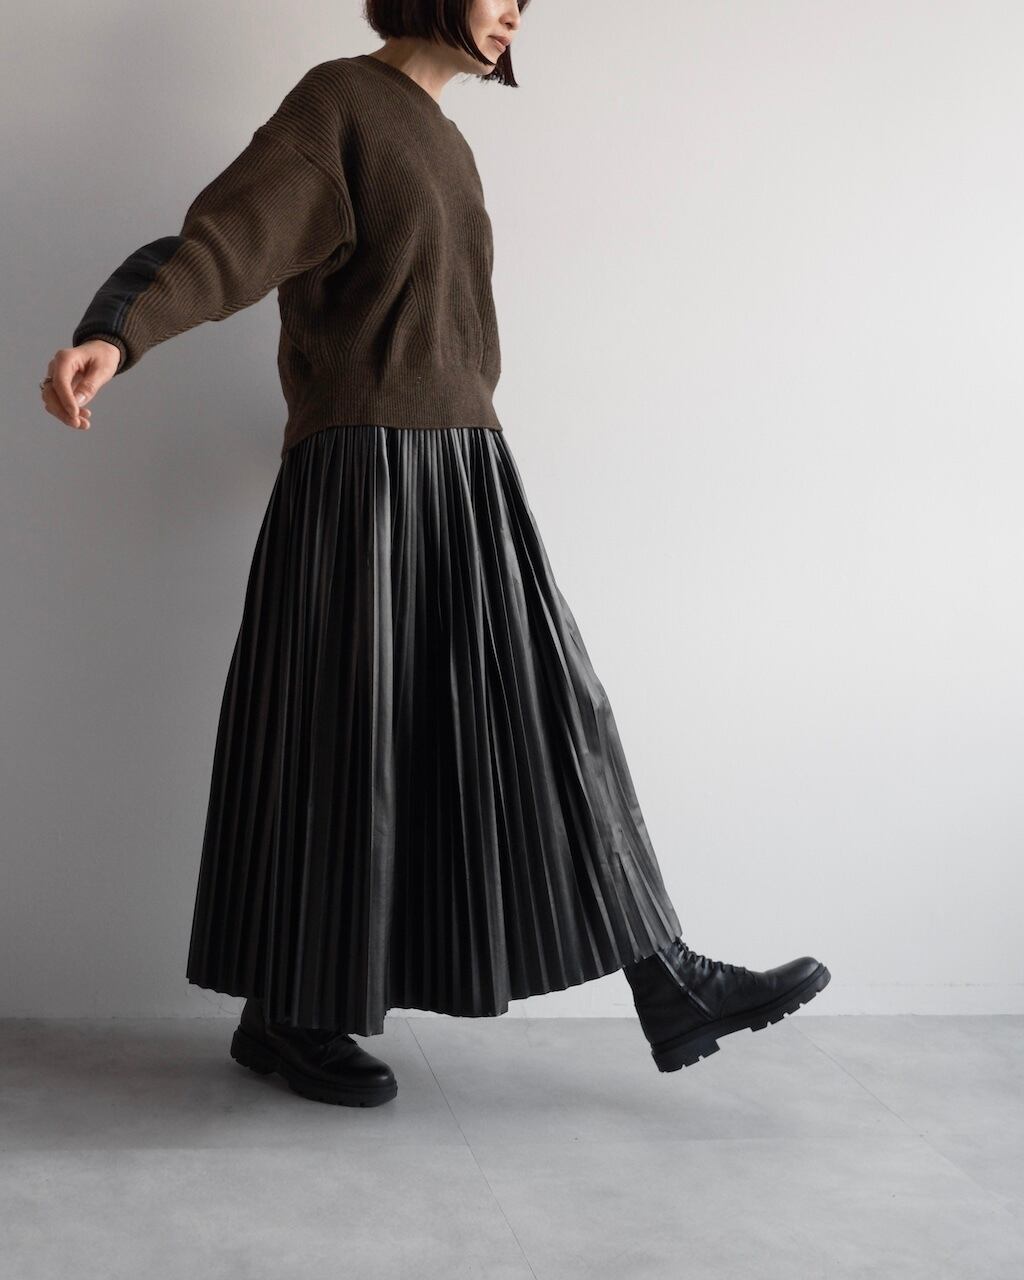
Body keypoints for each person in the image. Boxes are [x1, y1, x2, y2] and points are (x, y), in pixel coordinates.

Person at [40, 0, 830, 1109]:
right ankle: (298, 1013)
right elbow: (226, 240)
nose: (513, 11)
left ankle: (662, 981)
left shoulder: (446, 139)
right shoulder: (341, 106)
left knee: (551, 712)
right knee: (345, 739)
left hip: (463, 465)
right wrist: (116, 333)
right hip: (365, 474)